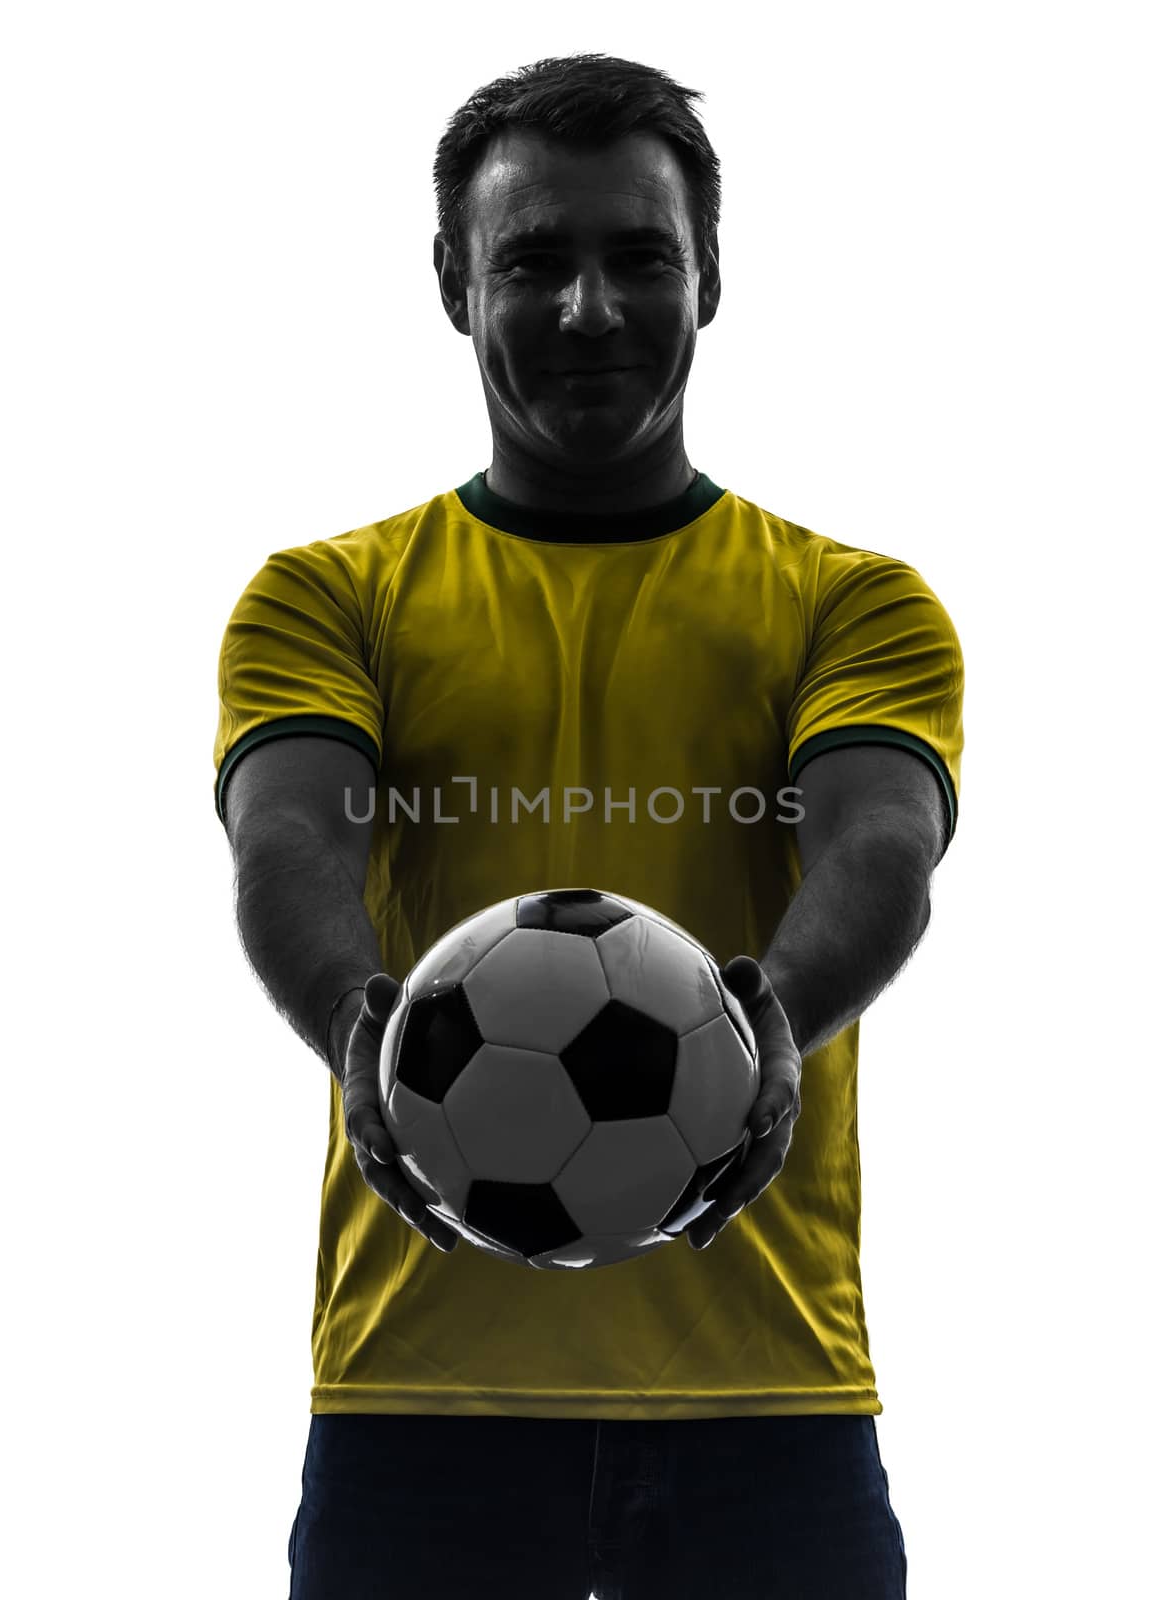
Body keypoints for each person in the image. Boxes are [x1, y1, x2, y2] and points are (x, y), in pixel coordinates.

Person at [212, 51, 963, 1600]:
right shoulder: (326, 596)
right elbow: (290, 840)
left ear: (710, 281)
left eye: (639, 258)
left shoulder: (852, 603)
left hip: (770, 1399)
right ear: (451, 282)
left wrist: (775, 1028)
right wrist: (360, 1021)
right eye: (534, 260)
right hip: (420, 1406)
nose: (587, 310)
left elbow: (879, 847)